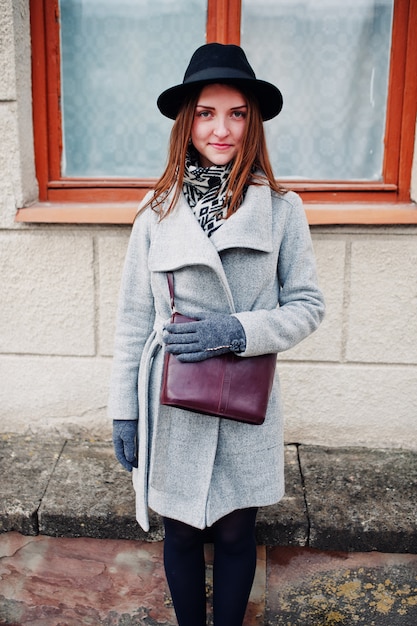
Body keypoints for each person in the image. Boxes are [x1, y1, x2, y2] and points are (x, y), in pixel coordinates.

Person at [108, 43, 325, 626]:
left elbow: (307, 306)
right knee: (179, 535)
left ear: (252, 121)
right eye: (206, 112)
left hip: (243, 399)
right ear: (188, 121)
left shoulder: (281, 210)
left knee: (235, 535)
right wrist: (124, 410)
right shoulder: (155, 212)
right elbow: (132, 319)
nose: (221, 128)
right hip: (170, 401)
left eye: (235, 113)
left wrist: (238, 330)